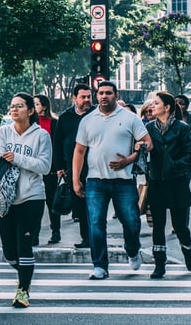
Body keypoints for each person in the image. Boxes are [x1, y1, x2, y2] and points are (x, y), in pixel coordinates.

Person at [72, 81, 153, 280]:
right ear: (97, 95)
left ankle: (133, 250)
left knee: (132, 222)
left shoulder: (130, 118)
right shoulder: (88, 120)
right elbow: (79, 151)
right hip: (95, 181)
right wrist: (75, 179)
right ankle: (100, 266)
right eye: (101, 93)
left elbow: (148, 143)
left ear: (116, 95)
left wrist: (130, 159)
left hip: (123, 181)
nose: (104, 96)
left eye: (108, 93)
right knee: (96, 223)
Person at [0, 92, 52, 308]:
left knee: (24, 244)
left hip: (32, 196)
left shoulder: (41, 136)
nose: (14, 109)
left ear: (30, 110)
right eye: (12, 106)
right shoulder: (3, 132)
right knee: (9, 251)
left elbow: (44, 166)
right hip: (6, 197)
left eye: (19, 106)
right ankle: (25, 273)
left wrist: (17, 158)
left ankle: (23, 291)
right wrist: (20, 160)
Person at [145, 91, 191, 278]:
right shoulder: (149, 128)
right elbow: (142, 149)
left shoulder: (182, 128)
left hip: (177, 181)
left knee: (180, 224)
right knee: (158, 225)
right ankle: (160, 264)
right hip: (156, 181)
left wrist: (175, 164)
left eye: (156, 103)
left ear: (167, 107)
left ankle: (187, 249)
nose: (152, 106)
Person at [53, 84, 95, 249]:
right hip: (73, 168)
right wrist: (60, 166)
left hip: (95, 167)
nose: (86, 100)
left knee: (95, 205)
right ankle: (86, 238)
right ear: (74, 98)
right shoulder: (65, 117)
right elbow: (57, 142)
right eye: (83, 97)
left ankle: (96, 238)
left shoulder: (96, 114)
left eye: (89, 97)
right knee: (79, 205)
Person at [33, 94, 60, 245]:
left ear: (44, 106)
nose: (34, 107)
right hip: (33, 168)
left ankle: (56, 231)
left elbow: (57, 146)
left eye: (36, 104)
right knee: (35, 203)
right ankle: (34, 234)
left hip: (50, 169)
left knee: (51, 202)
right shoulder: (30, 123)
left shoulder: (54, 123)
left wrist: (59, 167)